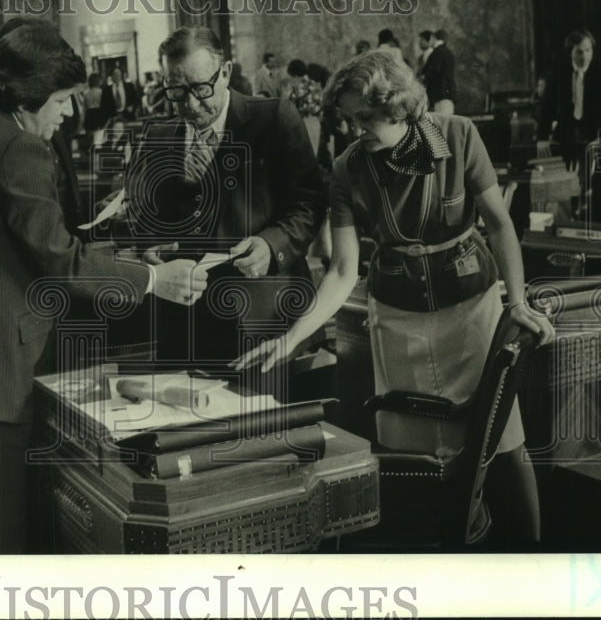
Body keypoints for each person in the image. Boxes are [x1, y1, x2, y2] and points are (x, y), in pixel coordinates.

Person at [0, 18, 204, 554]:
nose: (70, 112)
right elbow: (59, 263)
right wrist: (151, 279)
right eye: (65, 99)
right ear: (30, 97)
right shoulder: (18, 148)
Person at [232, 51, 554, 543]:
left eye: (364, 117)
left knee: (502, 440)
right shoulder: (347, 168)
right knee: (409, 448)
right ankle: (445, 544)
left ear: (398, 107)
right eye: (349, 119)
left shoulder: (459, 134)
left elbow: (500, 224)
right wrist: (294, 334)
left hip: (473, 310)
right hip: (398, 319)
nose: (355, 128)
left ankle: (536, 551)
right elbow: (342, 270)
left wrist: (518, 302)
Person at [121, 26, 327, 373]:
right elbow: (141, 214)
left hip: (263, 319)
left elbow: (309, 203)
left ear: (226, 72)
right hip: (184, 325)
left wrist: (270, 245)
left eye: (201, 88)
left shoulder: (273, 118)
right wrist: (149, 246)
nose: (190, 104)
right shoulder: (157, 137)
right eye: (176, 91)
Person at [537, 30, 601, 216]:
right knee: (561, 188)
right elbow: (547, 107)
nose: (584, 56)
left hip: (595, 137)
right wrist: (542, 137)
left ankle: (586, 220)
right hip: (567, 136)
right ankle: (565, 222)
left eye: (588, 50)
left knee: (589, 187)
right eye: (579, 52)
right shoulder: (559, 72)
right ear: (570, 52)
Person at [423, 30, 456, 114]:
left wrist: (423, 78)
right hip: (449, 94)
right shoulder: (449, 53)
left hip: (439, 94)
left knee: (440, 121)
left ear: (434, 38)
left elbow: (434, 72)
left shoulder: (436, 53)